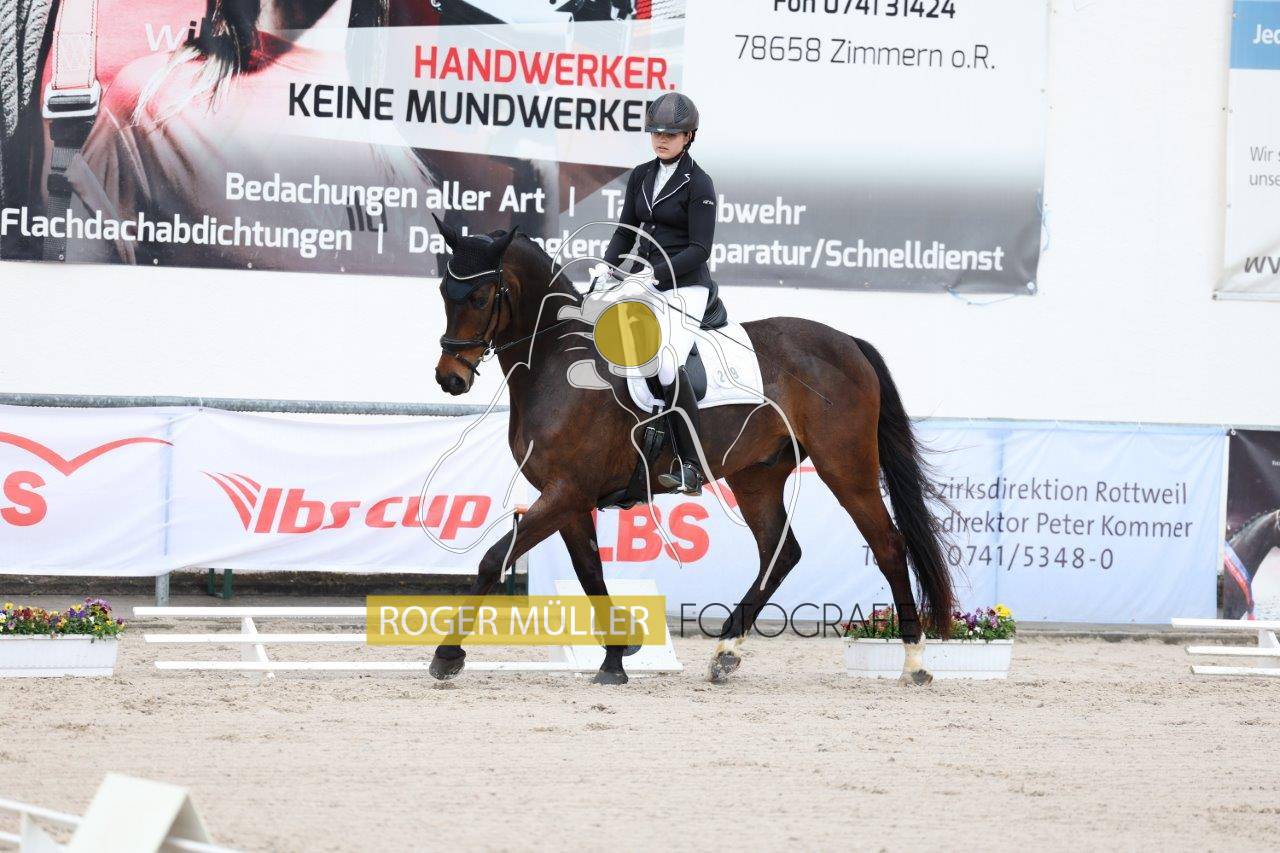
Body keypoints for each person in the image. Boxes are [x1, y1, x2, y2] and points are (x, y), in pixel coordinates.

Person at [601, 91, 717, 496]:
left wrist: (656, 272)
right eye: (656, 133)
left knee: (665, 362)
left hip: (685, 286)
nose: (661, 140)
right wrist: (607, 267)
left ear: (689, 136)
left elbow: (700, 249)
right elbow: (624, 232)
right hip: (646, 281)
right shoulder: (640, 175)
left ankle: (691, 466)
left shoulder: (699, 183)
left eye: (671, 134)